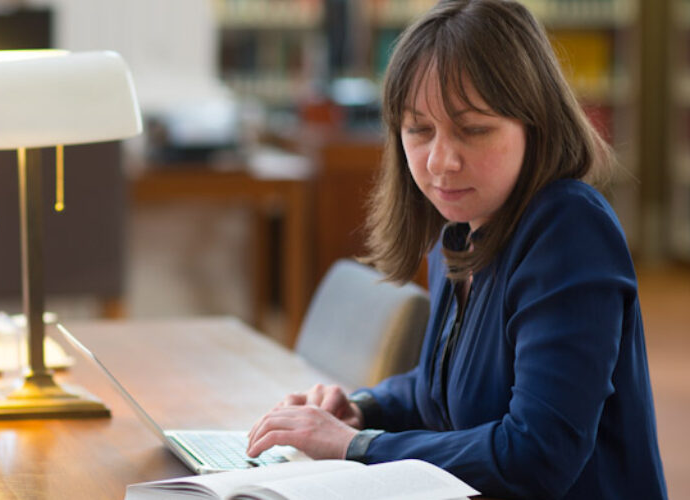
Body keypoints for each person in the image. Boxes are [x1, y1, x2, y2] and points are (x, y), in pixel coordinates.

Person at [245, 1, 667, 498]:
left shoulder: (569, 228)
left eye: (473, 129)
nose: (441, 162)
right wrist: (363, 408)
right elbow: (440, 390)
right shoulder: (461, 228)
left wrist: (355, 446)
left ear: (536, 123)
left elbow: (535, 456)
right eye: (419, 130)